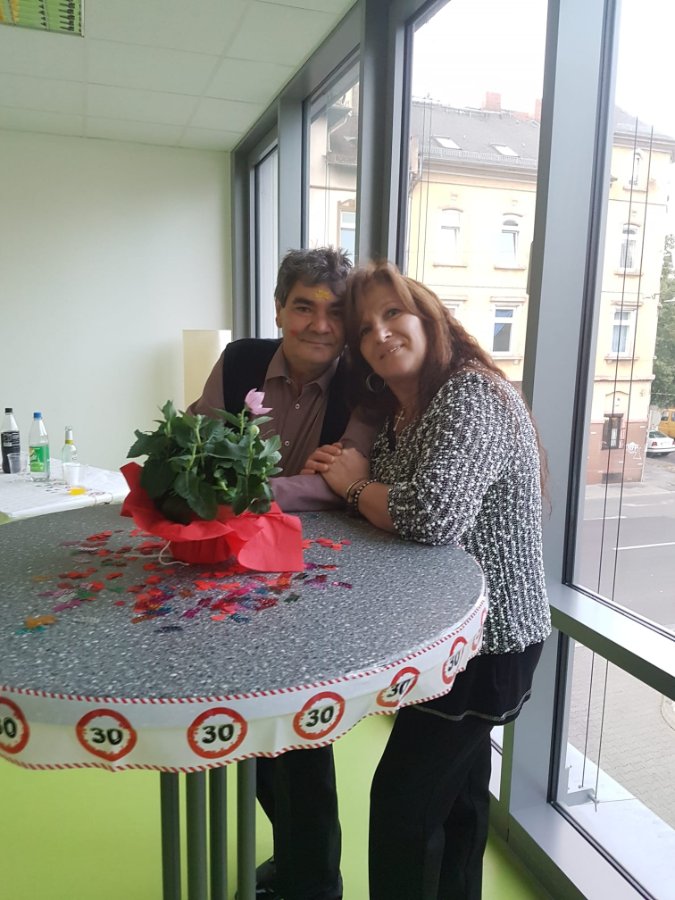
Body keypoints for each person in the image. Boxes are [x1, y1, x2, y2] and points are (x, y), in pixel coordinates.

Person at [306, 260, 552, 900]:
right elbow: (384, 504)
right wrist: (347, 474)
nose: (381, 334)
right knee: (458, 804)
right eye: (365, 328)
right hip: (447, 639)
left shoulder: (470, 394)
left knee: (403, 807)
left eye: (394, 314)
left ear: (431, 318)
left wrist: (355, 484)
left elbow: (431, 516)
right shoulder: (404, 409)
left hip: (489, 641)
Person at [189, 246, 370, 900]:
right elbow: (198, 449)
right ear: (277, 309)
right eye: (303, 307)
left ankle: (315, 882)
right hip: (231, 569)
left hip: (311, 577)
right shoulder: (240, 360)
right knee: (248, 724)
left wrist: (249, 488)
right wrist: (297, 483)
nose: (319, 324)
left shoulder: (362, 385)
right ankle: (295, 861)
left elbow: (344, 484)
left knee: (301, 737)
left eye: (335, 312)